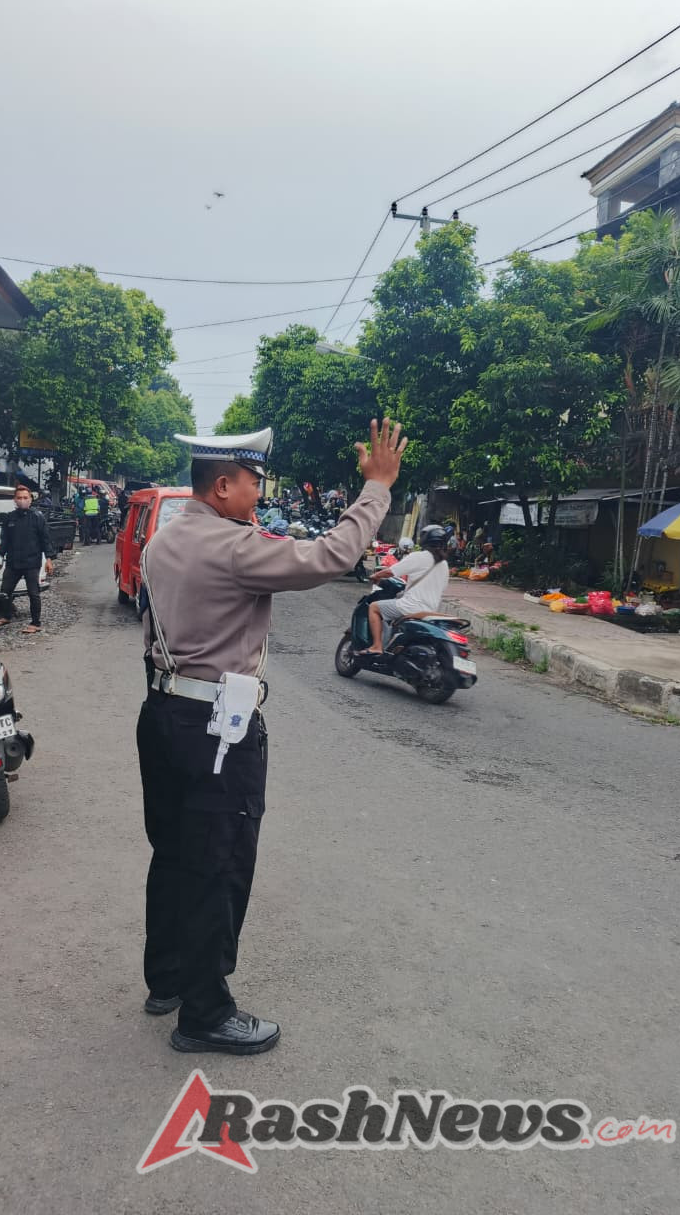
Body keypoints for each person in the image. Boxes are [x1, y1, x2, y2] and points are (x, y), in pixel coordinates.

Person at [136, 417, 406, 1056]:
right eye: (255, 482)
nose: (260, 493)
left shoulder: (162, 542)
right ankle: (204, 1014)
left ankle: (168, 980)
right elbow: (331, 557)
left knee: (173, 855)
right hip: (216, 733)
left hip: (162, 714)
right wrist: (378, 488)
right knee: (217, 864)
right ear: (223, 484)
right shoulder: (232, 546)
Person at [363, 523, 450, 655]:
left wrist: (375, 575)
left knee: (374, 607)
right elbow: (442, 588)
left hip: (411, 607)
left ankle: (376, 646)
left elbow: (391, 571)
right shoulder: (444, 565)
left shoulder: (419, 556)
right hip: (431, 611)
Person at [0, 485, 56, 634]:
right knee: (5, 591)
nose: (22, 501)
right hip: (13, 562)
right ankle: (6, 616)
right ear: (15, 500)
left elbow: (46, 540)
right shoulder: (10, 518)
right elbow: (5, 541)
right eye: (19, 498)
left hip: (32, 562)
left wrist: (49, 559)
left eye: (25, 498)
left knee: (33, 593)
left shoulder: (38, 517)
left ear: (31, 499)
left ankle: (36, 623)